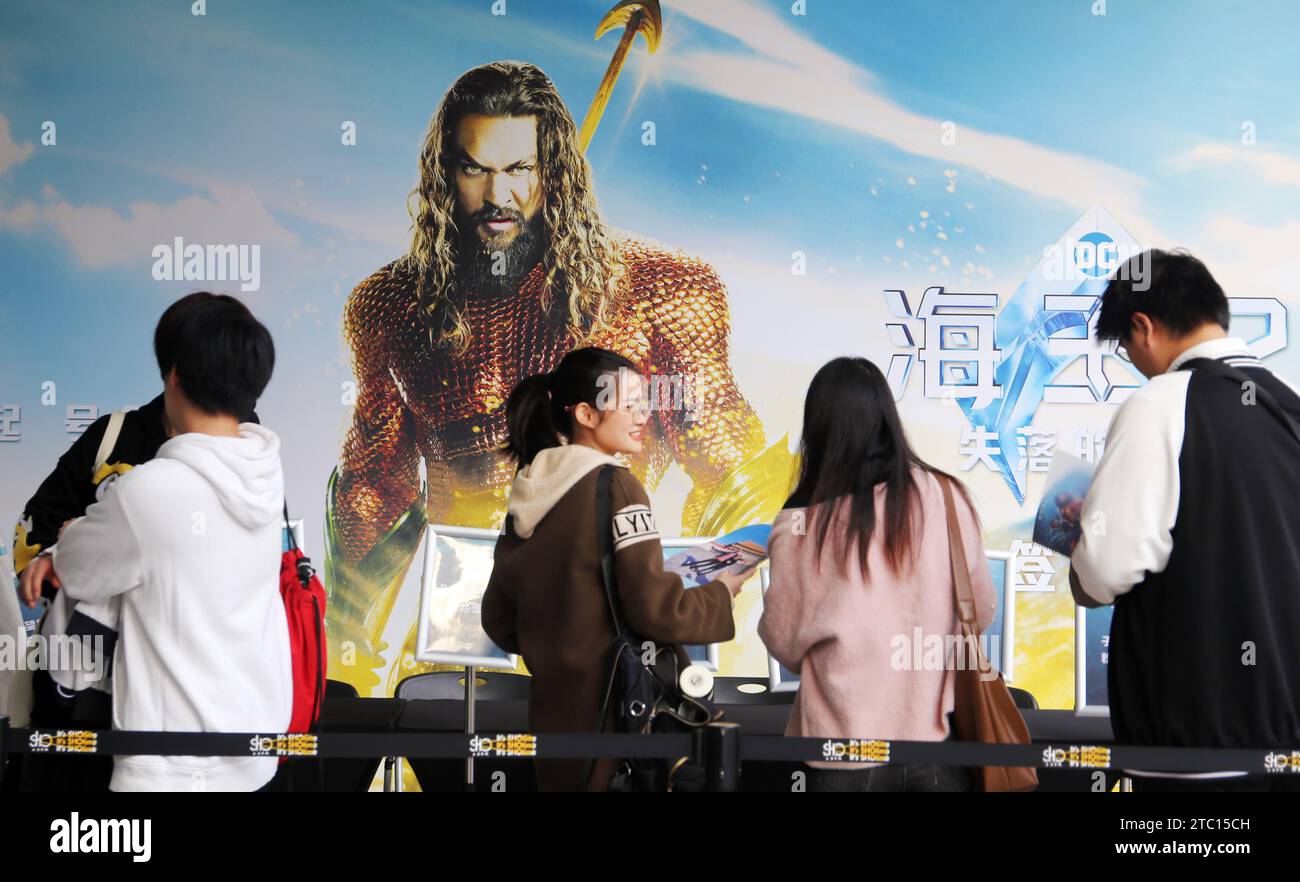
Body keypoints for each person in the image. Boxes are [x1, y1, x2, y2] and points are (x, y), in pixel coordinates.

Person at [325, 60, 782, 695]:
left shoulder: (658, 288)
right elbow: (371, 491)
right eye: (474, 169)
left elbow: (735, 480)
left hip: (611, 628)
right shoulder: (392, 306)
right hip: (456, 630)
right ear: (443, 175)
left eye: (519, 169)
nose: (496, 196)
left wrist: (696, 608)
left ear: (555, 172)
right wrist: (346, 644)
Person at [1070, 249, 1300, 792]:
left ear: (1142, 327)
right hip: (1285, 740)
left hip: (1190, 744)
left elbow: (1105, 570)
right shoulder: (1288, 406)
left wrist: (1078, 549)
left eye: (1126, 348)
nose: (1135, 360)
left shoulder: (1162, 404)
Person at [45, 292, 291, 792]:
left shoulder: (150, 491)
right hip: (253, 754)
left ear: (174, 375)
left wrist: (69, 535)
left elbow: (75, 567)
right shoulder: (265, 474)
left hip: (172, 769)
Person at [480, 347, 750, 791]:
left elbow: (499, 617)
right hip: (617, 720)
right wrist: (720, 592)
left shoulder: (526, 493)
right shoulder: (617, 486)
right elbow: (654, 611)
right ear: (586, 414)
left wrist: (562, 650)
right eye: (629, 404)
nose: (643, 414)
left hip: (553, 721)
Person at [757, 357, 996, 793]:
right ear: (888, 419)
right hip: (935, 749)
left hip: (839, 755)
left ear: (817, 431)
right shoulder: (946, 495)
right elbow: (979, 612)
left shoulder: (800, 521)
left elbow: (784, 642)